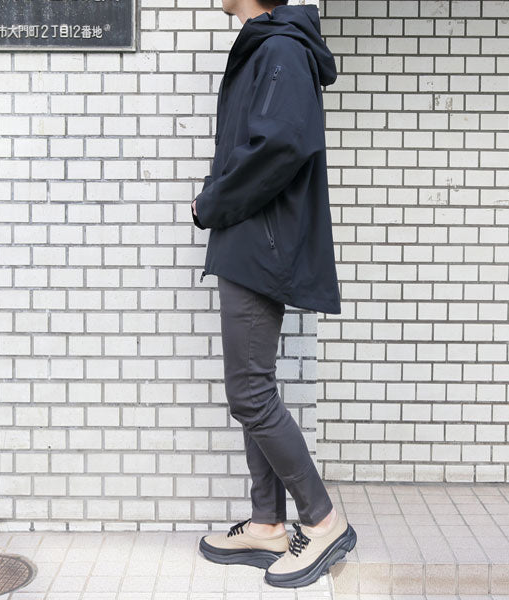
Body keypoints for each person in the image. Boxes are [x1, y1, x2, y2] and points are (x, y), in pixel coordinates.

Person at [191, 0, 357, 589]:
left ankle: (323, 519)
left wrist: (210, 202)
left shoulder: (281, 48)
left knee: (249, 391)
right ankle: (266, 523)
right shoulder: (269, 46)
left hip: (259, 243)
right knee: (253, 386)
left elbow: (280, 145)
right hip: (249, 240)